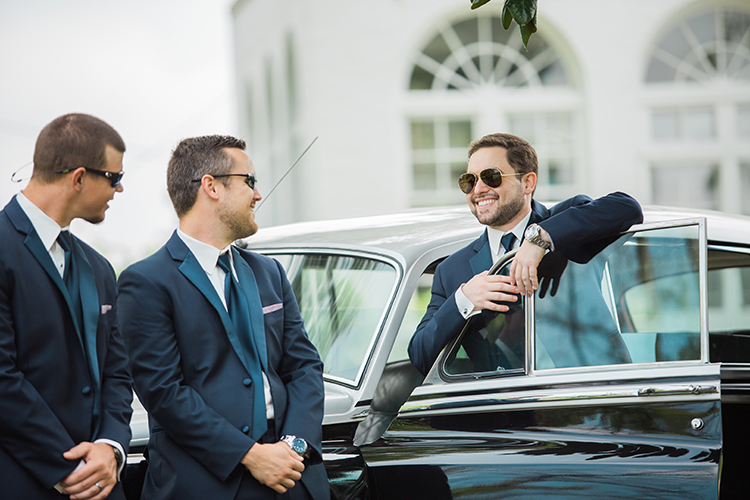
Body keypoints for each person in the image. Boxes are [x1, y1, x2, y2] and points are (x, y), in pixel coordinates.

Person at [117, 135, 329, 500]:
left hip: (292, 478)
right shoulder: (145, 282)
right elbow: (164, 393)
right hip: (207, 483)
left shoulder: (270, 273)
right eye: (250, 181)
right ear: (211, 187)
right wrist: (251, 456)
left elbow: (304, 366)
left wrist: (294, 447)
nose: (257, 194)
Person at [408, 132, 643, 376]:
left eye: (491, 177)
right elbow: (420, 356)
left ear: (528, 183)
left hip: (594, 394)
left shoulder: (566, 221)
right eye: (469, 180)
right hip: (505, 407)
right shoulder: (452, 270)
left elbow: (627, 208)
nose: (478, 189)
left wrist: (539, 238)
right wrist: (464, 299)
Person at [0, 113, 133, 500]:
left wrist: (110, 447)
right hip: (22, 481)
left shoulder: (99, 267)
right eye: (114, 178)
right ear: (78, 177)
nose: (119, 189)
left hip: (103, 485)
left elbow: (117, 373)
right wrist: (67, 467)